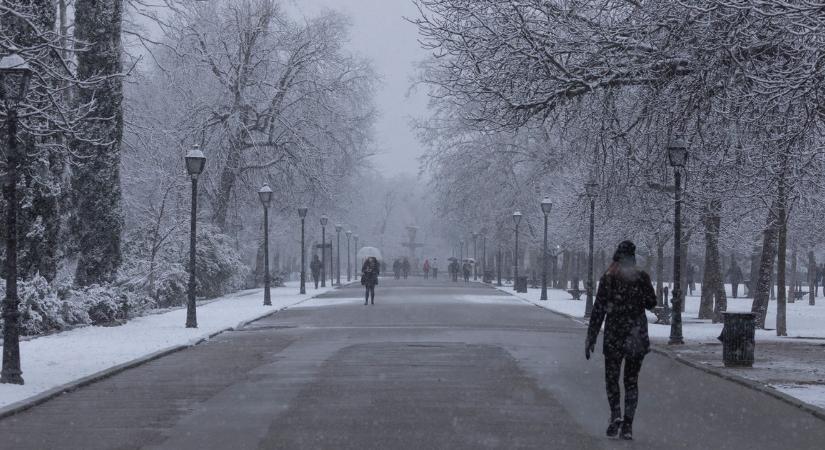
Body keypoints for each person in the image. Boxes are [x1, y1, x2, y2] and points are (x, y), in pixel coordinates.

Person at [585, 240, 657, 441]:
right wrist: (639, 298)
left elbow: (598, 310)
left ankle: (615, 413)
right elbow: (652, 303)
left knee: (612, 379)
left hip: (615, 335)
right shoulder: (642, 277)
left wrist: (590, 337)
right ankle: (627, 426)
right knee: (631, 382)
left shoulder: (608, 278)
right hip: (636, 335)